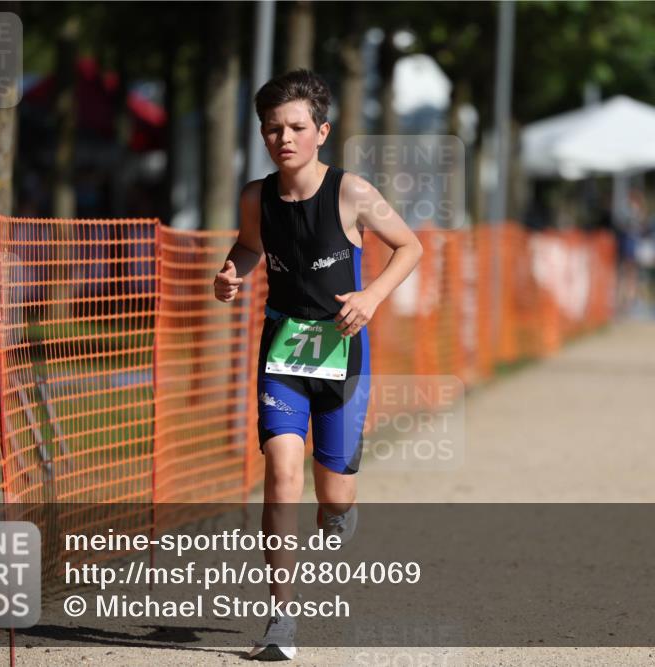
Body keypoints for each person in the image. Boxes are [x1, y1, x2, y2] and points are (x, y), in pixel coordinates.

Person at [213, 69, 422, 661]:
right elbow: (250, 245)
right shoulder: (255, 197)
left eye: (297, 127)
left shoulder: (352, 192)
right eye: (273, 129)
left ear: (321, 132)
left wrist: (371, 297)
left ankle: (339, 509)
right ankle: (281, 621)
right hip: (282, 347)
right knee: (281, 474)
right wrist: (234, 272)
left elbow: (410, 246)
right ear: (262, 134)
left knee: (335, 496)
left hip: (341, 352)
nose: (284, 138)